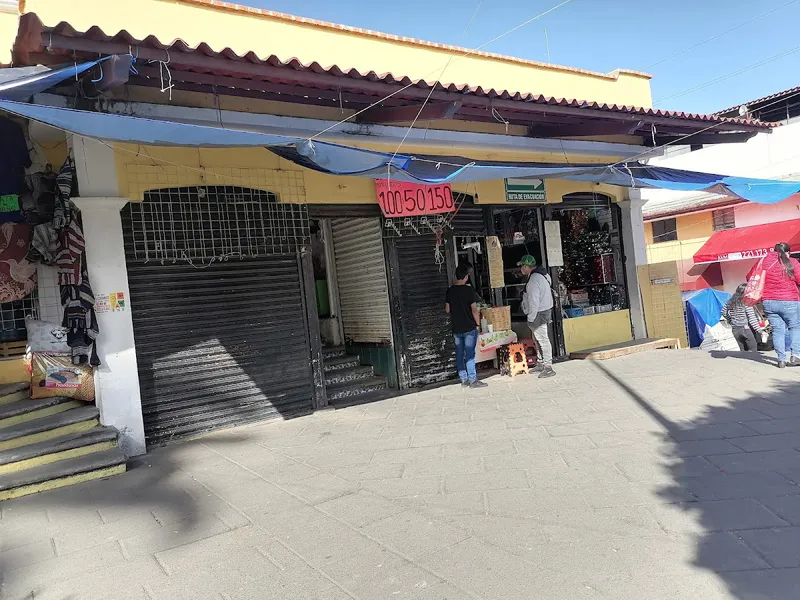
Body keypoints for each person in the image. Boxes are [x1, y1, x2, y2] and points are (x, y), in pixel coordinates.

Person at [747, 242, 800, 368]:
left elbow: (750, 276)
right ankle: (795, 356)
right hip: (789, 300)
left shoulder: (763, 261)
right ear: (787, 252)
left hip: (768, 301)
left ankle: (781, 359)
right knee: (795, 327)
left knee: (777, 330)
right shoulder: (792, 262)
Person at [445, 263, 487, 388]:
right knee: (470, 354)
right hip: (469, 327)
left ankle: (464, 380)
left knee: (459, 354)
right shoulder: (469, 290)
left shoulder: (450, 291)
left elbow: (447, 309)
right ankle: (473, 380)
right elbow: (475, 310)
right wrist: (478, 324)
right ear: (466, 277)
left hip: (457, 328)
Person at [518, 255, 555, 378]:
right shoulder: (542, 275)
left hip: (538, 313)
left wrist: (530, 318)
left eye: (522, 266)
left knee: (542, 339)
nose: (520, 269)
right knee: (537, 339)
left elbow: (534, 302)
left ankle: (548, 366)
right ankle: (540, 362)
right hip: (545, 310)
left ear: (526, 266)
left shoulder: (533, 281)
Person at [722, 283, 764, 352]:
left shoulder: (730, 301)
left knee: (742, 350)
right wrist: (760, 331)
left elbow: (723, 312)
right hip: (745, 329)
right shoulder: (747, 302)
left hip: (735, 329)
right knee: (753, 349)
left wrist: (730, 320)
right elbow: (752, 319)